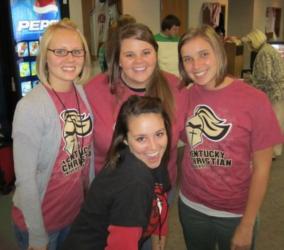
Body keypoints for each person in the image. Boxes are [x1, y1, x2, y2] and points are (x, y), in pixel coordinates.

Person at [177, 25, 283, 250]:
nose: (196, 66)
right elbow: (185, 143)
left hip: (235, 212)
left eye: (204, 54)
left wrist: (247, 223)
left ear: (219, 52)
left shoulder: (254, 100)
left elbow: (263, 168)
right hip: (191, 206)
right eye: (188, 59)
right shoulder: (185, 96)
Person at [85, 22, 188, 250]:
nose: (139, 61)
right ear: (117, 59)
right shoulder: (93, 91)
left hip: (159, 191)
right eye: (129, 54)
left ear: (156, 53)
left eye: (146, 52)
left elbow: (192, 139)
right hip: (113, 197)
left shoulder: (176, 88)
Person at [12, 18, 95, 250]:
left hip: (75, 215)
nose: (70, 59)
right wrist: (38, 236)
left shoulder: (82, 93)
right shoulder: (30, 107)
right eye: (60, 51)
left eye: (77, 51)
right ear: (45, 56)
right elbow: (25, 179)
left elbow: (85, 156)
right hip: (41, 224)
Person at [60, 95, 171, 250]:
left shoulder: (152, 159)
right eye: (141, 139)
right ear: (125, 139)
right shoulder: (133, 182)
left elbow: (160, 197)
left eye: (159, 134)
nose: (154, 147)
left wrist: (159, 236)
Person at [242, 29, 284, 159]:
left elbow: (266, 77)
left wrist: (251, 82)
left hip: (274, 93)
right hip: (278, 91)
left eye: (249, 43)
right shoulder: (268, 49)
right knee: (277, 122)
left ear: (254, 41)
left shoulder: (264, 53)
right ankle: (274, 150)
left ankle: (272, 152)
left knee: (274, 123)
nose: (249, 47)